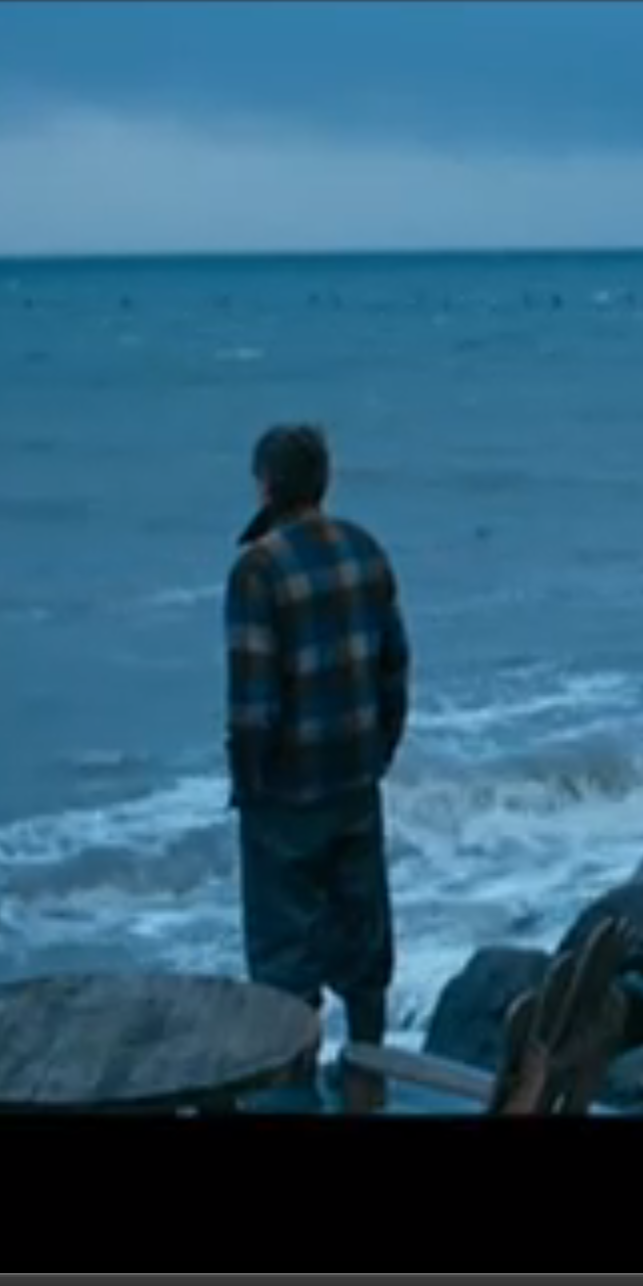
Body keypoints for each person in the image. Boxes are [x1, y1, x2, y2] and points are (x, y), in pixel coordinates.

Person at [225, 423, 410, 1110]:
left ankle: (295, 1091)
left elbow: (253, 703)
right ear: (323, 482)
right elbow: (395, 669)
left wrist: (250, 784)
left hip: (287, 791)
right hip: (356, 777)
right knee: (364, 940)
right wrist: (377, 753)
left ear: (266, 486)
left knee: (284, 959)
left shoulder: (258, 570)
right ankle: (368, 1081)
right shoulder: (365, 549)